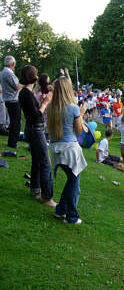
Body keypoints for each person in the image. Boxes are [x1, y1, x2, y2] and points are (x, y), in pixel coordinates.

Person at [48, 76, 87, 224]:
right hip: (69, 149)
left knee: (72, 181)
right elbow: (78, 131)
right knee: (74, 184)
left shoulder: (51, 107)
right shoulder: (73, 108)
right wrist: (81, 114)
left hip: (56, 148)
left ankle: (60, 210)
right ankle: (71, 216)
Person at [18, 65, 56, 206]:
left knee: (37, 160)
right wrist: (45, 103)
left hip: (32, 128)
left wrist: (43, 99)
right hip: (35, 129)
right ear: (33, 77)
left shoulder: (26, 92)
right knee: (45, 162)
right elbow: (35, 115)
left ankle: (35, 189)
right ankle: (47, 197)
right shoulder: (26, 94)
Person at [0, 56, 23, 148]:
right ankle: (13, 142)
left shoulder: (3, 72)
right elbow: (17, 86)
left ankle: (12, 141)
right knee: (16, 122)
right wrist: (26, 83)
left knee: (14, 122)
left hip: (8, 99)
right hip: (13, 100)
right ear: (13, 64)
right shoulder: (8, 73)